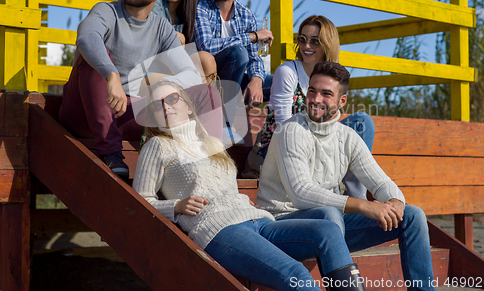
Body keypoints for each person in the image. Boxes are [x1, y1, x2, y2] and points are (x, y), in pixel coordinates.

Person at [133, 80, 369, 291]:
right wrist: (176, 206)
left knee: (328, 230)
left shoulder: (211, 142)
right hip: (219, 230)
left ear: (186, 103)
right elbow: (139, 200)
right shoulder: (157, 146)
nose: (165, 106)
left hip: (258, 220)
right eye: (156, 104)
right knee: (294, 273)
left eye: (172, 98)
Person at [256, 61, 436, 291]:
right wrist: (362, 205)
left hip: (331, 229)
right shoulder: (291, 131)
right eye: (312, 90)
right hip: (283, 225)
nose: (316, 99)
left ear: (342, 101)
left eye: (326, 94)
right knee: (329, 214)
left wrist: (395, 202)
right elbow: (301, 192)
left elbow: (380, 181)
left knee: (412, 216)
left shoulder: (347, 137)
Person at [58, 0, 220, 180]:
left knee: (196, 90)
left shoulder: (161, 27)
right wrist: (111, 74)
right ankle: (111, 153)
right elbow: (87, 37)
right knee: (94, 55)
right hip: (84, 112)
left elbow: (191, 75)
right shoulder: (107, 11)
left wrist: (159, 87)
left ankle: (204, 161)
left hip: (128, 111)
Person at [244, 15, 373, 202]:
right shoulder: (288, 71)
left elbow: (332, 126)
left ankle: (355, 198)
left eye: (315, 41)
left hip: (318, 150)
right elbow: (284, 128)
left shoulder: (333, 77)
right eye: (302, 39)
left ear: (327, 44)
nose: (306, 46)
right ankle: (341, 198)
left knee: (362, 122)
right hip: (279, 150)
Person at [194, 0, 273, 107]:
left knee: (280, 80)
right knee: (238, 53)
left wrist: (257, 80)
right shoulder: (199, 4)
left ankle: (278, 129)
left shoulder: (246, 15)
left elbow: (254, 58)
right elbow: (206, 46)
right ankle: (225, 119)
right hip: (204, 79)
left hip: (235, 81)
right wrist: (252, 36)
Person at [152, 0, 217, 85]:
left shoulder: (189, 12)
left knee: (206, 58)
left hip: (176, 66)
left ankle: (208, 101)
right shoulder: (155, 2)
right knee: (179, 38)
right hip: (152, 63)